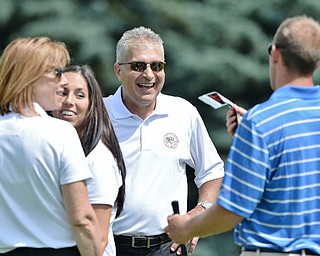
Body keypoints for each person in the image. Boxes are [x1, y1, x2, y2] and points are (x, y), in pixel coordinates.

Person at [165, 15, 320, 256]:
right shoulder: (261, 124)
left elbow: (232, 211)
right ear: (316, 63)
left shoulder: (261, 123)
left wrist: (185, 228)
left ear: (276, 53)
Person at [103, 26, 225, 256]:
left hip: (168, 248)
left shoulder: (183, 112)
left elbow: (212, 172)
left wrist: (199, 213)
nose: (149, 75)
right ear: (118, 70)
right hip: (109, 247)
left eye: (157, 66)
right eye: (138, 66)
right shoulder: (98, 114)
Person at [0, 37, 101, 255]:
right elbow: (82, 219)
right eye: (56, 72)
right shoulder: (60, 132)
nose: (63, 81)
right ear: (31, 77)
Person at [52, 64, 126, 256]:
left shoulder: (99, 159)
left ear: (92, 104)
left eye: (80, 95)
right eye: (62, 92)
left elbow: (98, 241)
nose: (69, 101)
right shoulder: (52, 151)